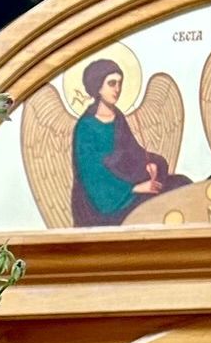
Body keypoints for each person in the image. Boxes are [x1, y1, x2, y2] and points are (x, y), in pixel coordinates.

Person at [70, 60, 188, 226]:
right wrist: (134, 189)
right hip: (103, 203)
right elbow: (93, 175)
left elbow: (132, 153)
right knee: (156, 205)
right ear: (98, 87)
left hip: (126, 187)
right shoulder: (86, 127)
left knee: (181, 184)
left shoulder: (117, 117)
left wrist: (150, 164)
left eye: (120, 83)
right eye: (112, 83)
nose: (117, 89)